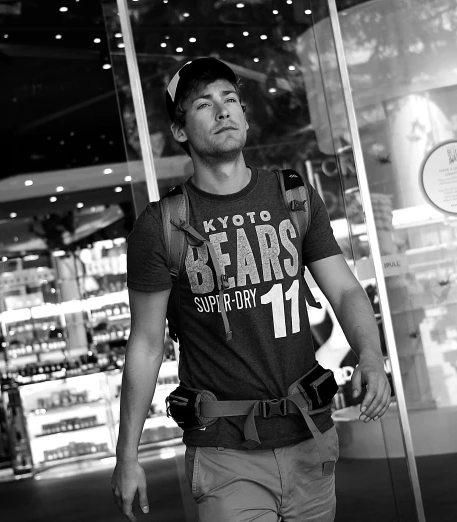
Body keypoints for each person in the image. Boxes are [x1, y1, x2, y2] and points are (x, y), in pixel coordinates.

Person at [111, 57, 391, 521]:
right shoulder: (161, 227)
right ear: (181, 131)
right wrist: (126, 456)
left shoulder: (294, 197)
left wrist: (372, 357)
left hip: (309, 440)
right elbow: (145, 345)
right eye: (203, 104)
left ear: (244, 115)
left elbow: (344, 291)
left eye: (230, 100)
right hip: (224, 452)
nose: (222, 111)